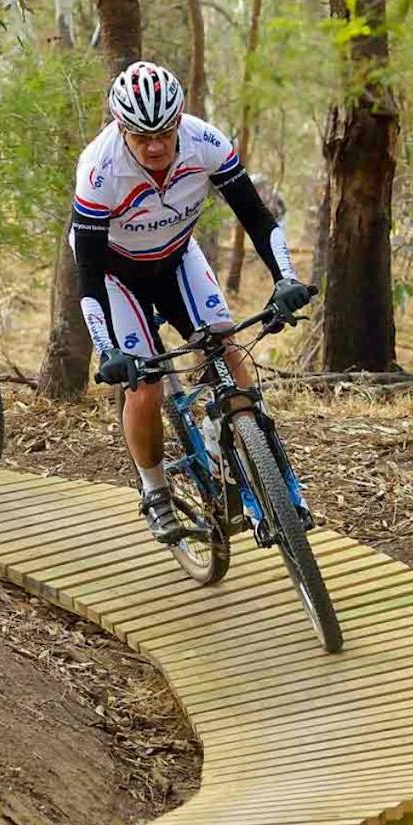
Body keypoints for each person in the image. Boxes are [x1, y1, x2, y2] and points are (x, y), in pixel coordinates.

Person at [70, 61, 312, 542]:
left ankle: (262, 470)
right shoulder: (100, 169)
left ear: (181, 119)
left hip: (177, 256)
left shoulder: (206, 142)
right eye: (142, 136)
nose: (156, 145)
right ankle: (155, 489)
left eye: (165, 131)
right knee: (145, 387)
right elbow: (89, 273)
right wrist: (106, 348)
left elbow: (258, 219)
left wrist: (286, 278)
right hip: (116, 274)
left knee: (225, 346)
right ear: (121, 128)